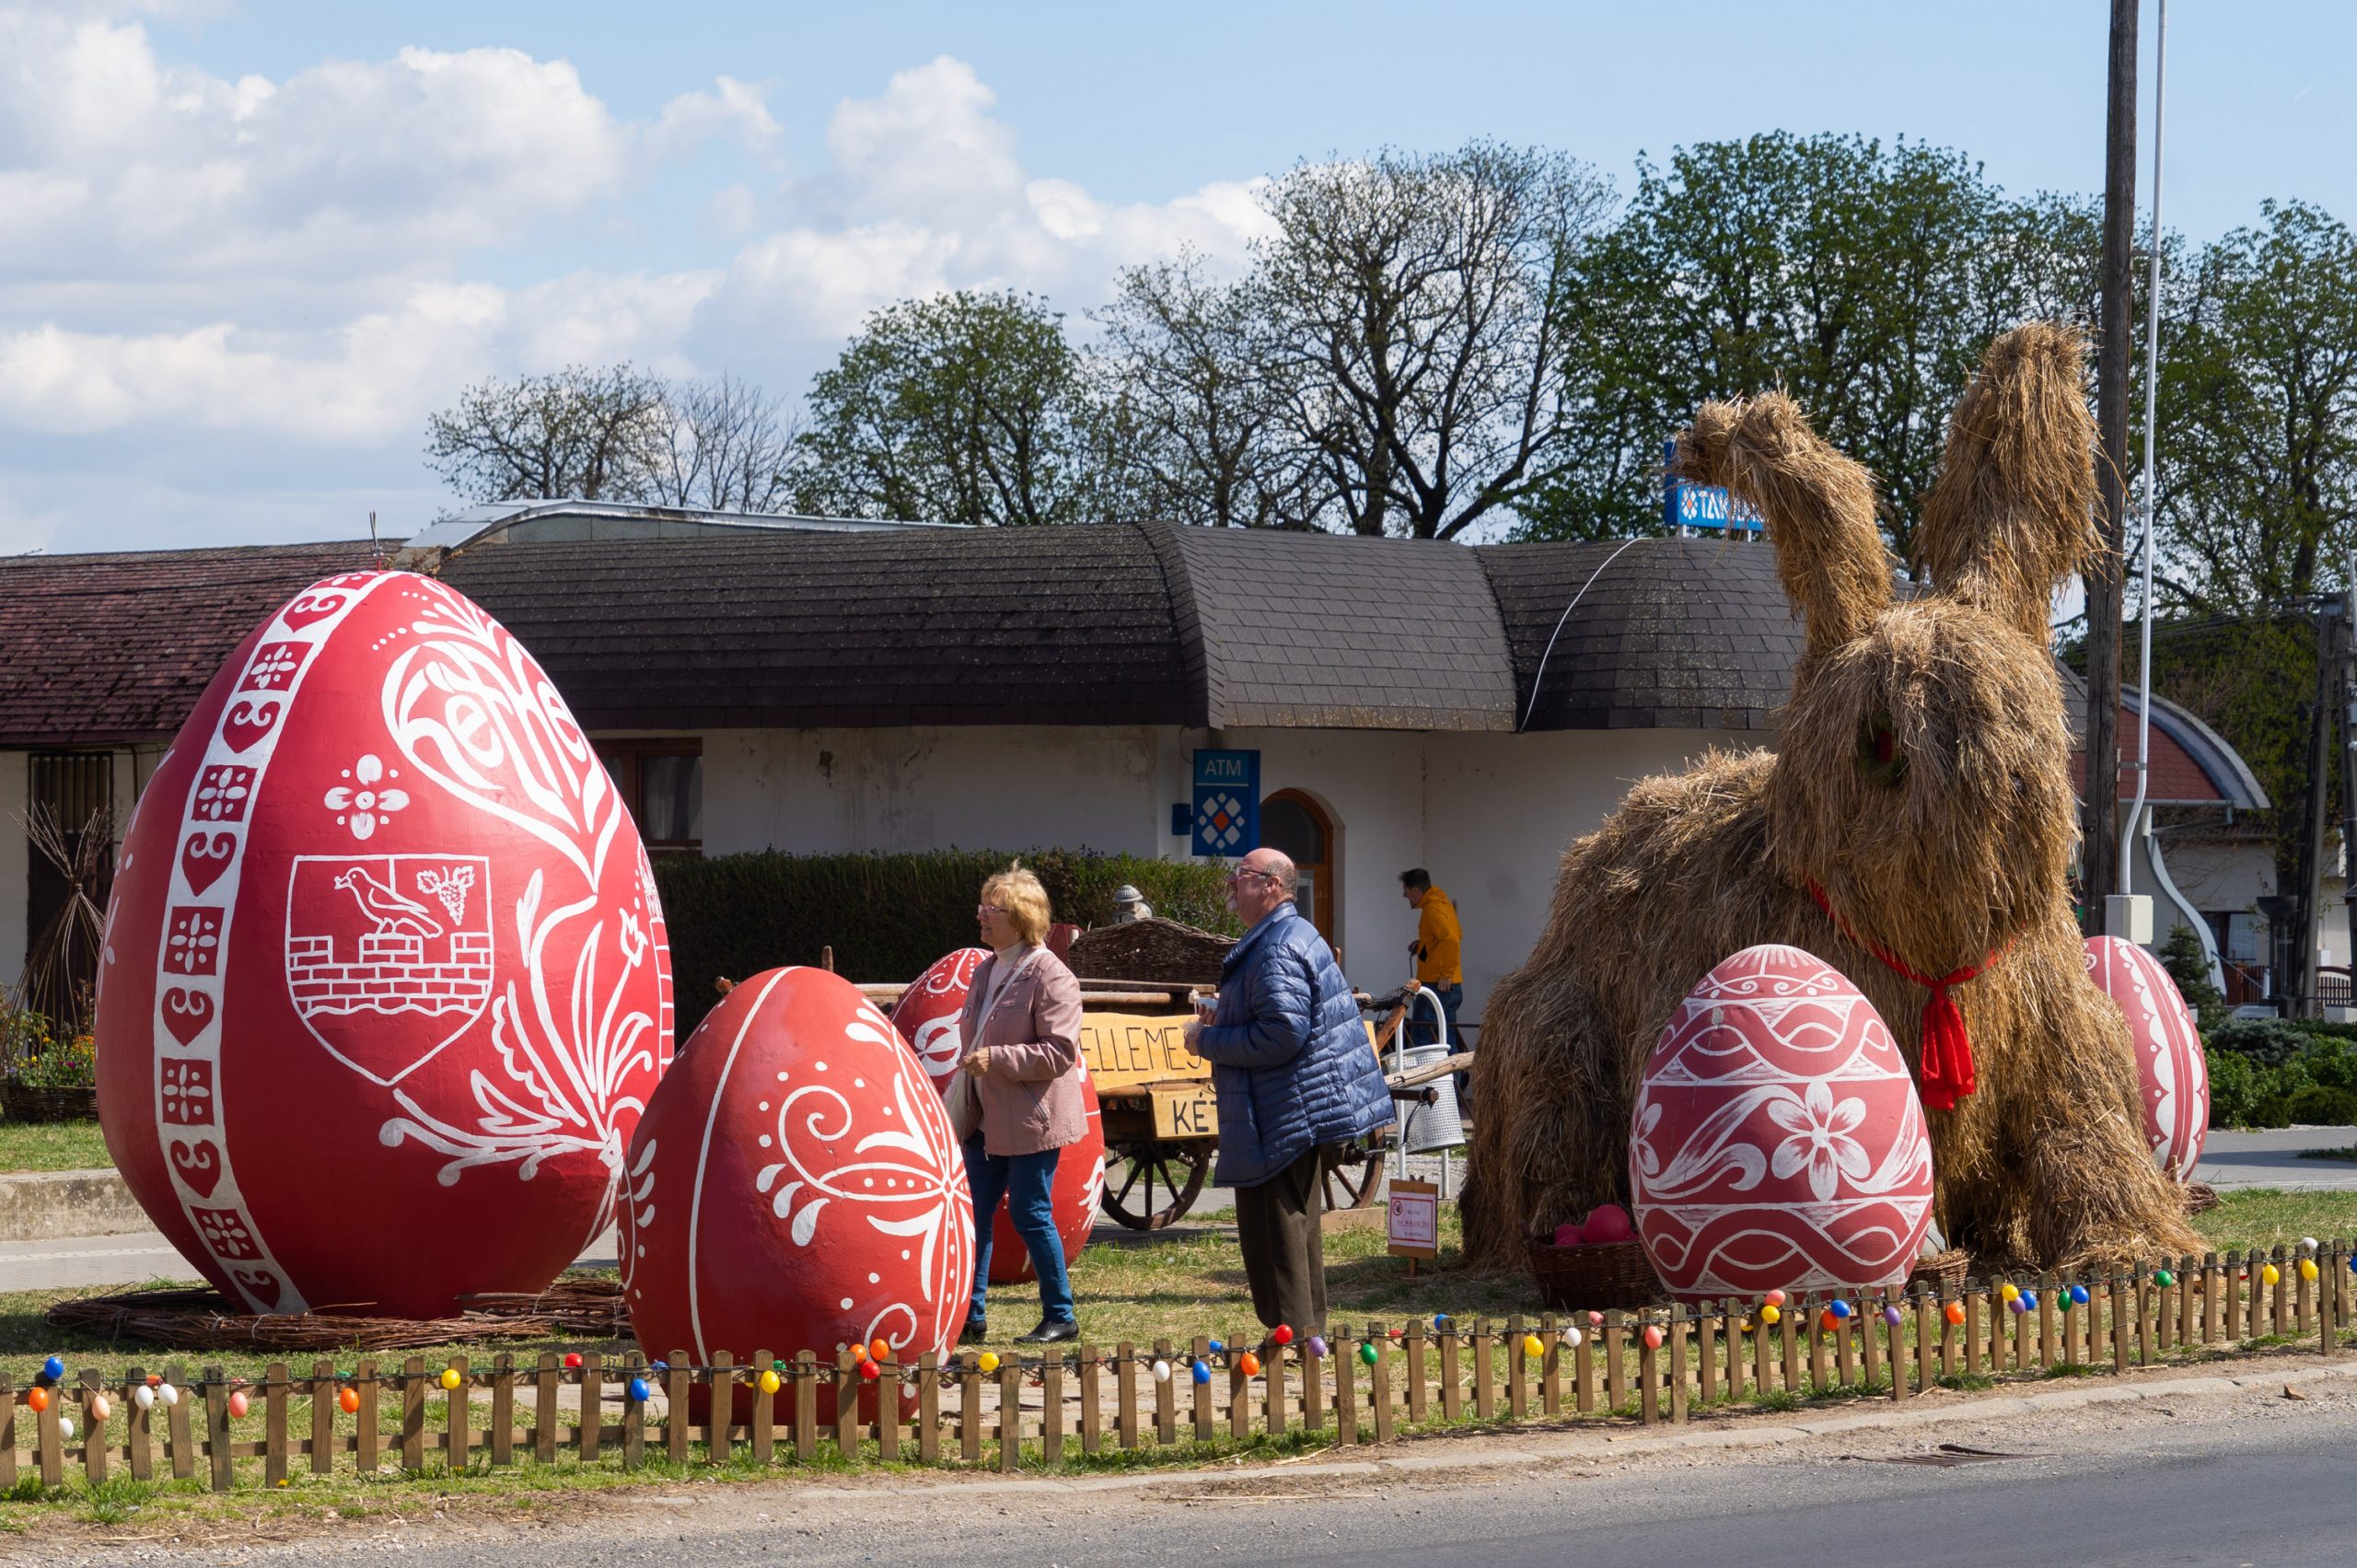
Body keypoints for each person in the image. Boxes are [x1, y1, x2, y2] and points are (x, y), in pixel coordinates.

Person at [1189, 847, 1394, 1335]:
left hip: (1282, 1111)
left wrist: (1206, 1041)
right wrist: (1228, 1009)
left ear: (1272, 886)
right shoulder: (1284, 935)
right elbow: (1281, 1018)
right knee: (1294, 1231)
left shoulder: (1277, 946)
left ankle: (1294, 1341)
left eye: (1241, 875)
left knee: (1276, 1234)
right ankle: (1306, 1337)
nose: (1231, 883)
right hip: (1290, 1106)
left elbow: (1282, 1034)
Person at [955, 861, 1087, 1345]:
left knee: (1031, 1215)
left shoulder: (1052, 975)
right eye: (982, 906)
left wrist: (998, 1058)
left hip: (1032, 1121)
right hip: (984, 1120)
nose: (981, 915)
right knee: (973, 1216)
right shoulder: (984, 971)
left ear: (1021, 917)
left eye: (992, 908)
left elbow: (1060, 1053)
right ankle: (970, 1316)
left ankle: (1061, 1315)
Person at [1399, 869, 1463, 1050]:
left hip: (1437, 985)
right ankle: (1452, 1069)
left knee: (1422, 1039)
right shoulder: (1443, 904)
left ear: (1416, 890)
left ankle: (1424, 1071)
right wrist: (1422, 946)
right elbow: (1455, 935)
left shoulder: (1432, 910)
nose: (1405, 896)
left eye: (1406, 891)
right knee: (1446, 1040)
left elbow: (1451, 939)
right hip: (1451, 986)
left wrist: (1446, 974)